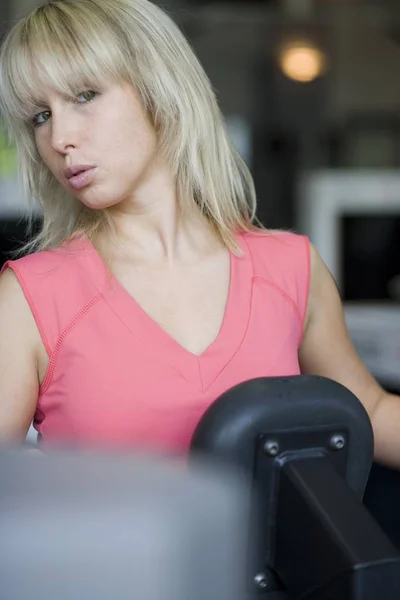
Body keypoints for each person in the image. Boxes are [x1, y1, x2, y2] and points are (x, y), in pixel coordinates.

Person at [0, 0, 398, 463]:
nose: (59, 138)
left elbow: (367, 409)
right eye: (40, 116)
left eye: (84, 95)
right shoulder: (31, 298)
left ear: (159, 87)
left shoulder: (291, 268)